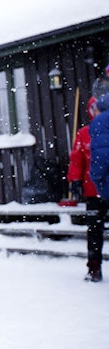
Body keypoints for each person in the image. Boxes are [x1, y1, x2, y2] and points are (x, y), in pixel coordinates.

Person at [65, 97, 105, 282]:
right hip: (93, 190)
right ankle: (94, 267)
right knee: (94, 231)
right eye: (93, 109)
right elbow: (77, 160)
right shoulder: (84, 134)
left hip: (103, 186)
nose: (96, 112)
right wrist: (75, 181)